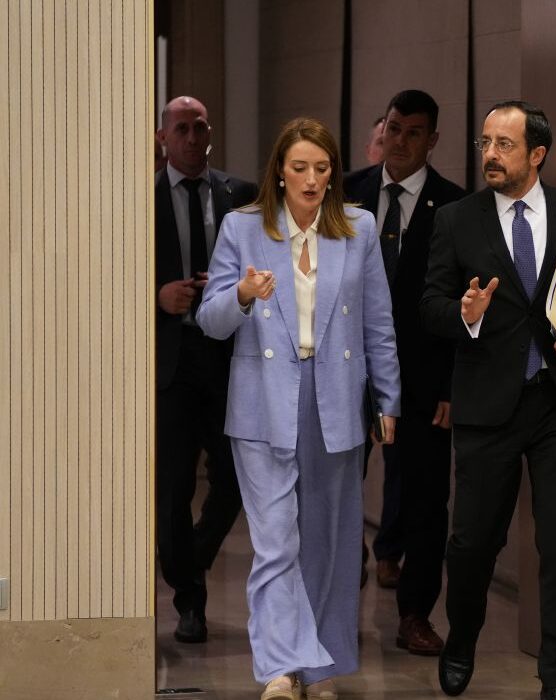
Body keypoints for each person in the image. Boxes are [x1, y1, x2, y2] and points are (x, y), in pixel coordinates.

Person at [420, 101, 556, 700]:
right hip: (487, 407)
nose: (490, 154)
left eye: (503, 144)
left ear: (537, 153)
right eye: (485, 142)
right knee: (474, 542)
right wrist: (465, 313)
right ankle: (461, 640)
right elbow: (430, 306)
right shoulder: (457, 220)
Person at [197, 117, 400, 700]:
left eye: (321, 168)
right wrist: (240, 294)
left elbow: (378, 321)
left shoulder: (358, 228)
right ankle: (281, 669)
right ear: (279, 173)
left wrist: (389, 398)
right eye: (299, 168)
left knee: (328, 541)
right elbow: (210, 320)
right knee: (276, 541)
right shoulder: (243, 227)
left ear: (333, 173)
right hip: (263, 400)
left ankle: (320, 666)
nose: (311, 179)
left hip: (335, 397)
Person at [345, 89, 466, 655]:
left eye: (414, 133)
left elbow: (465, 305)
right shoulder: (347, 193)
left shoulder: (456, 206)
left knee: (424, 501)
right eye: (393, 128)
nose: (400, 141)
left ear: (432, 140)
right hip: (348, 370)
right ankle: (333, 605)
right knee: (335, 489)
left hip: (424, 378)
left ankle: (415, 614)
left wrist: (451, 385)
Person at [154, 95, 256, 644]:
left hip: (228, 359)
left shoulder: (240, 195)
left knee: (235, 476)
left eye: (200, 128)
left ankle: (191, 559)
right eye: (182, 129)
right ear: (162, 138)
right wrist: (156, 297)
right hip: (171, 364)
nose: (193, 138)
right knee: (173, 487)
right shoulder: (141, 199)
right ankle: (189, 600)